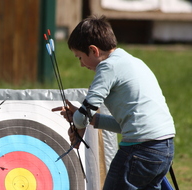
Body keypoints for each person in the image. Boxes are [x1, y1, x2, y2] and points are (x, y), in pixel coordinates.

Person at [52, 15, 175, 190]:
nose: (80, 64)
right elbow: (125, 125)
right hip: (164, 148)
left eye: (79, 57)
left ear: (94, 50)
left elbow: (86, 112)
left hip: (139, 150)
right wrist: (88, 120)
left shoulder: (107, 66)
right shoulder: (131, 61)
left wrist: (79, 121)